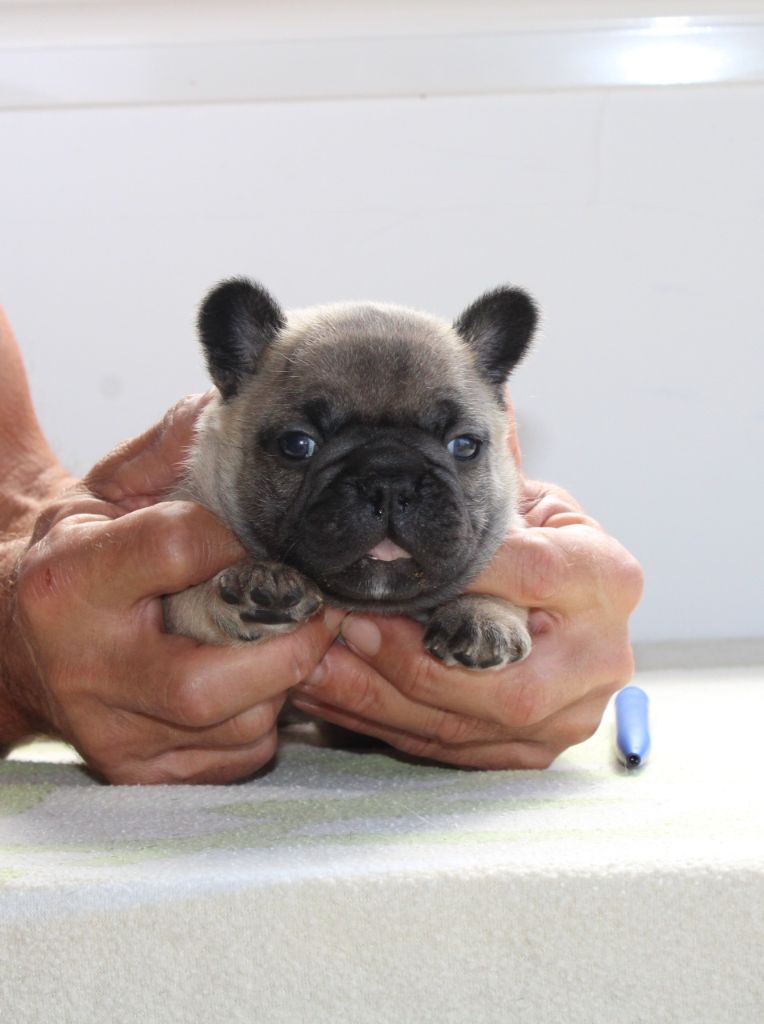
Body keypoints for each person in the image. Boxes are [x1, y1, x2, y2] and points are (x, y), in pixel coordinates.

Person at [0, 308, 643, 783]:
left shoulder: (507, 526)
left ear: (502, 435)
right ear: (226, 409)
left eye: (460, 447)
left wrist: (498, 614)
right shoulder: (191, 520)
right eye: (300, 445)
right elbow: (163, 611)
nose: (388, 494)